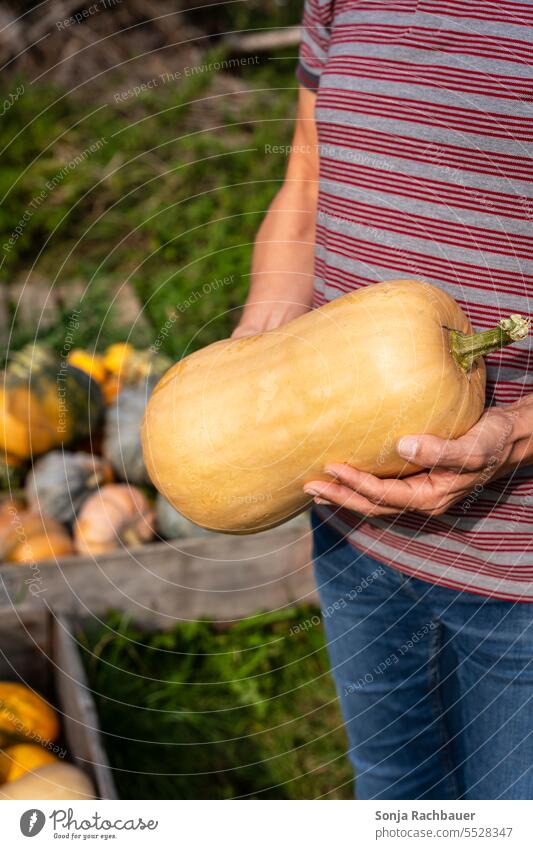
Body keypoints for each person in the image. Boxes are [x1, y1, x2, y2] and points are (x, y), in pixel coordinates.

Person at [232, 1, 533, 799]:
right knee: (393, 796)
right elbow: (307, 174)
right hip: (354, 538)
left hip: (520, 572)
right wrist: (252, 355)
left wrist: (516, 431)